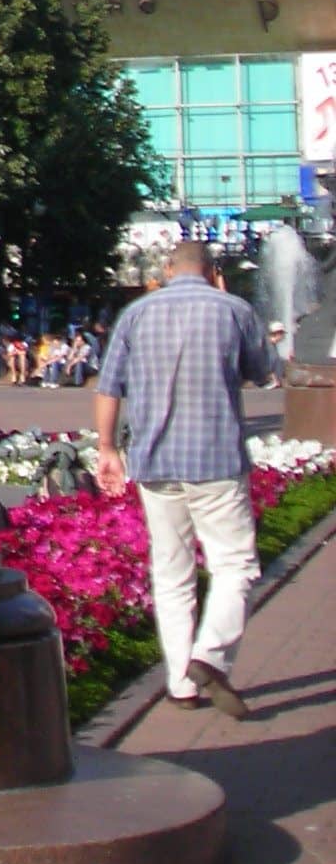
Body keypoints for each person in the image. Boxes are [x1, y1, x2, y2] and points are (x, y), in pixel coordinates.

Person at [94, 238, 276, 718]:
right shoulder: (232, 309)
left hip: (155, 462)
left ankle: (180, 683)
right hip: (216, 460)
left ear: (168, 269)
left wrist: (108, 449)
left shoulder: (136, 314)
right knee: (235, 565)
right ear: (213, 270)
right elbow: (262, 372)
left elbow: (109, 386)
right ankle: (210, 655)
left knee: (171, 572)